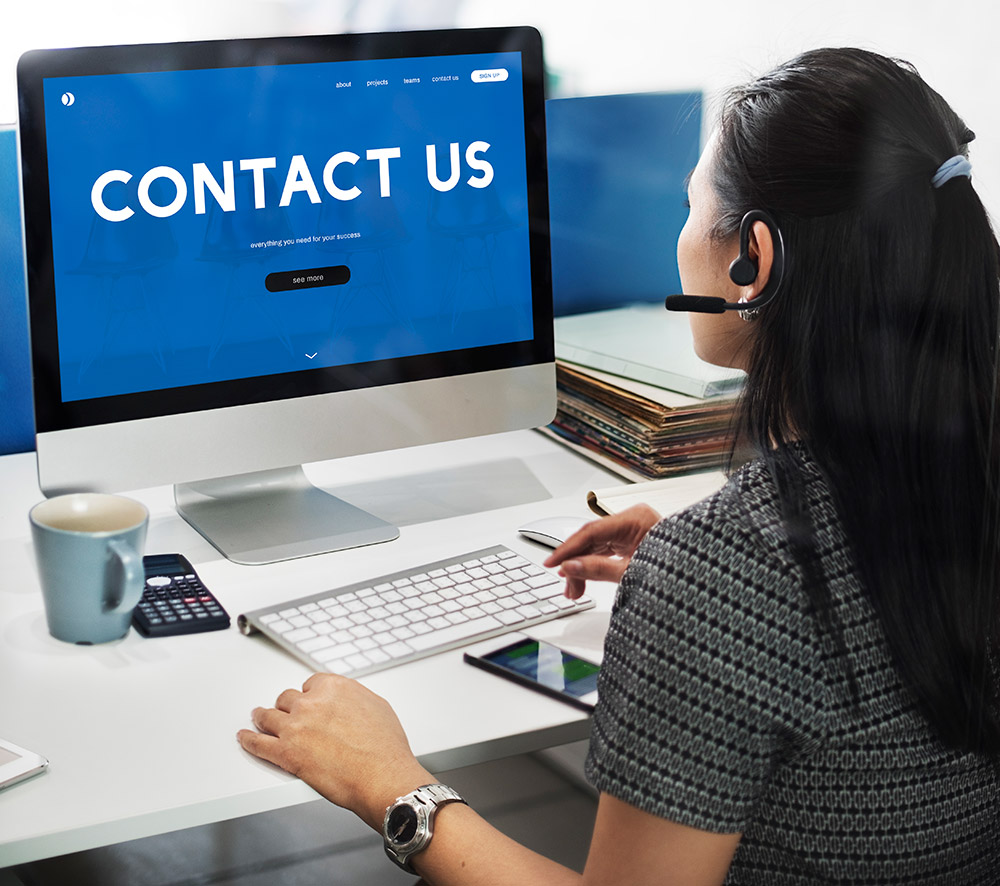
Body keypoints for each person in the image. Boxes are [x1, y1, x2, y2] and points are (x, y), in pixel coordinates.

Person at [237, 47, 1000, 884]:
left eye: (689, 204)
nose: (678, 235)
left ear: (754, 260)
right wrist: (709, 561)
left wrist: (390, 785)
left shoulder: (730, 574)